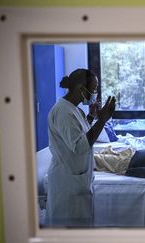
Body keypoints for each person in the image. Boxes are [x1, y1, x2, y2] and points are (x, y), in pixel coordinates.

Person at [45, 69, 116, 227]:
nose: (95, 93)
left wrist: (91, 117)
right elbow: (80, 146)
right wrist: (102, 120)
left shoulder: (74, 109)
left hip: (77, 181)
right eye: (93, 88)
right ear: (80, 88)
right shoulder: (63, 112)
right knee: (67, 234)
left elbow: (79, 135)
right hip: (67, 185)